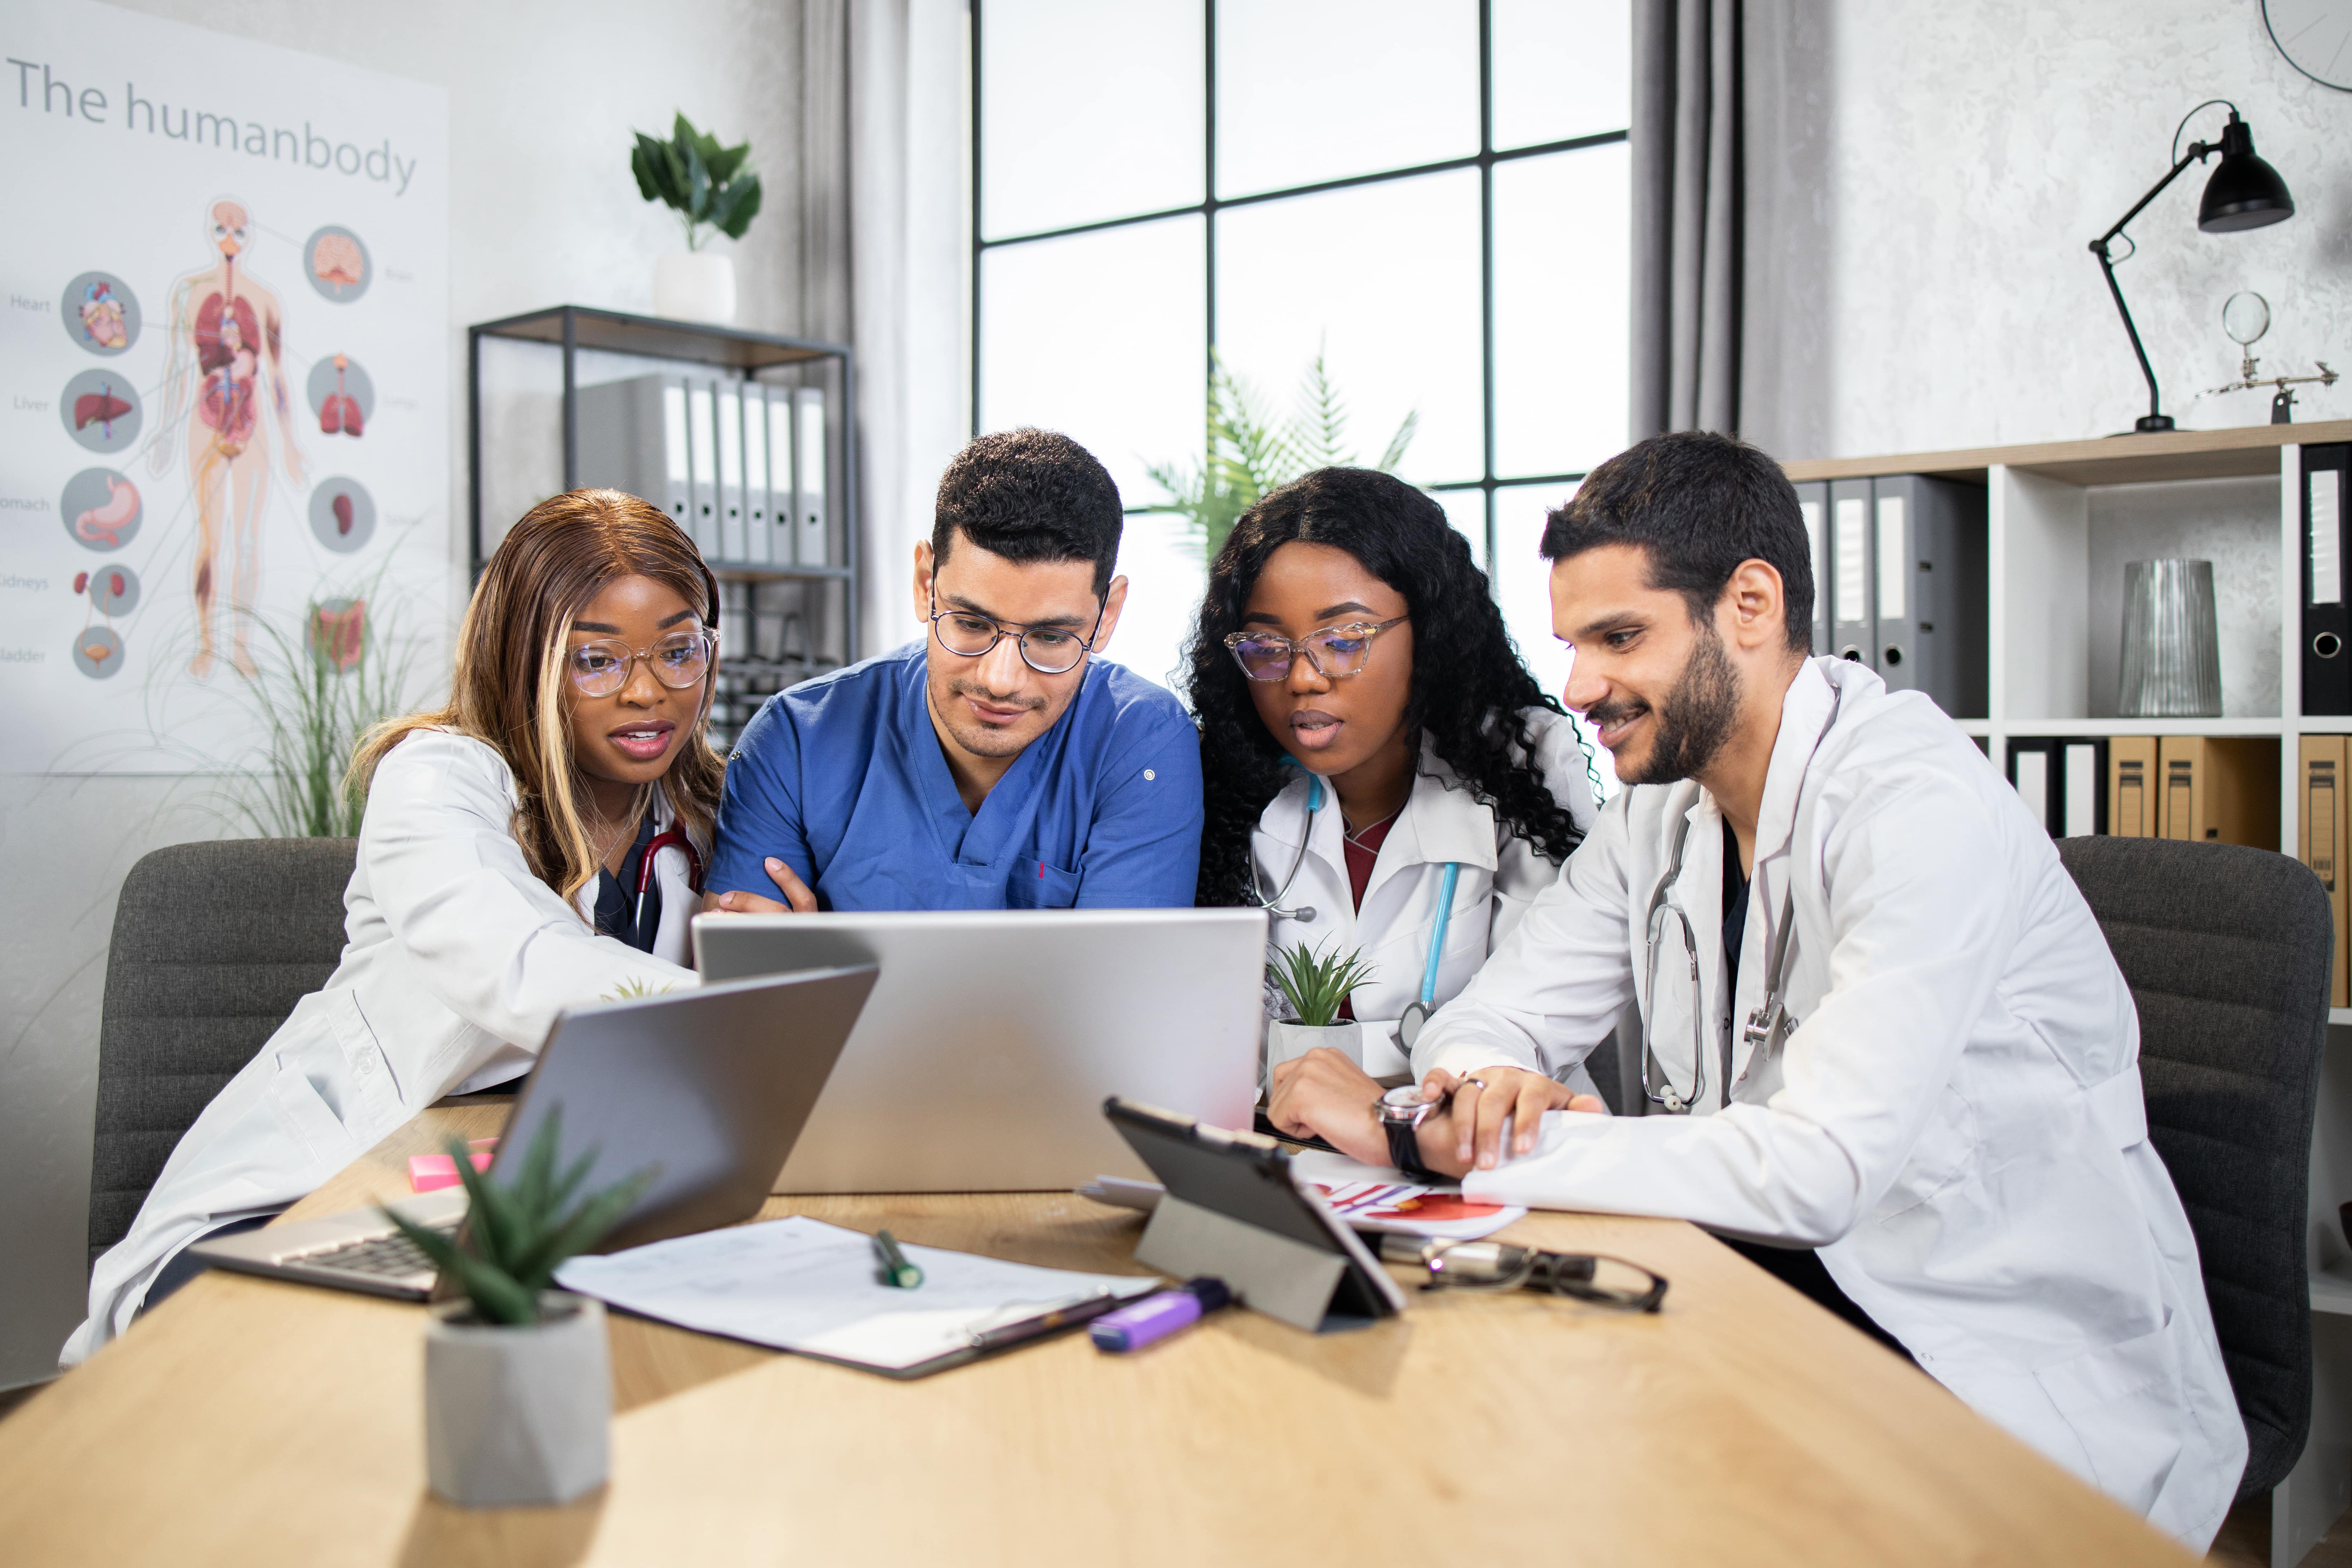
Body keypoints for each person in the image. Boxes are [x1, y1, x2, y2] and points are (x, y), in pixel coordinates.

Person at [1265, 431, 2244, 1548]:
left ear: (1751, 604)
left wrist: (1440, 1141)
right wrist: (1480, 1087)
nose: (1581, 686)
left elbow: (1817, 1173)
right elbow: (1496, 1016)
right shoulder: (1661, 812)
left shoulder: (1918, 810)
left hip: (1978, 1344)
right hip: (1772, 1286)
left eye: (1619, 638)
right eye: (1575, 644)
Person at [65, 490, 718, 1363]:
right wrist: (745, 1009)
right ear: (524, 657)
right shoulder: (439, 779)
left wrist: (770, 937)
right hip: (306, 1198)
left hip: (503, 1200)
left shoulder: (698, 811)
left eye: (680, 651)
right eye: (596, 661)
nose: (649, 692)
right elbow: (518, 965)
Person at [1187, 467, 1599, 1084]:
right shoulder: (1226, 784)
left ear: (1428, 632)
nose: (1303, 678)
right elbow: (1203, 1032)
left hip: (1481, 1143)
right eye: (1269, 648)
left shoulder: (1522, 761)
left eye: (1344, 639)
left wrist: (1328, 1069)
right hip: (1280, 1146)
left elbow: (1541, 1011)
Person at [704, 428, 1202, 913]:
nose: (999, 680)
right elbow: (745, 984)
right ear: (926, 583)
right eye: (970, 623)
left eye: (1051, 638)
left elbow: (1120, 991)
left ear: (1107, 616)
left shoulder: (1143, 742)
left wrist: (823, 980)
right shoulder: (794, 741)